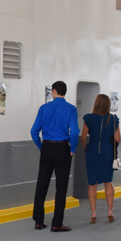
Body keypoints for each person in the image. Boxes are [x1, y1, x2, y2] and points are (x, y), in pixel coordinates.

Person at [30, 80, 79, 232]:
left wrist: (41, 146)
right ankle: (57, 223)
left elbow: (33, 131)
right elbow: (74, 132)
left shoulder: (43, 108)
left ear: (54, 91)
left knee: (42, 185)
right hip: (63, 148)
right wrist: (72, 148)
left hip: (47, 147)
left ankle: (38, 221)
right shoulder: (71, 109)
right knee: (61, 187)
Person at [80, 94, 121, 224]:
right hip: (107, 151)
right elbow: (118, 139)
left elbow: (83, 137)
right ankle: (110, 211)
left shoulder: (89, 118)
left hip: (92, 150)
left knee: (92, 183)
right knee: (108, 181)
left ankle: (93, 214)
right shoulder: (113, 119)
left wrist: (86, 148)